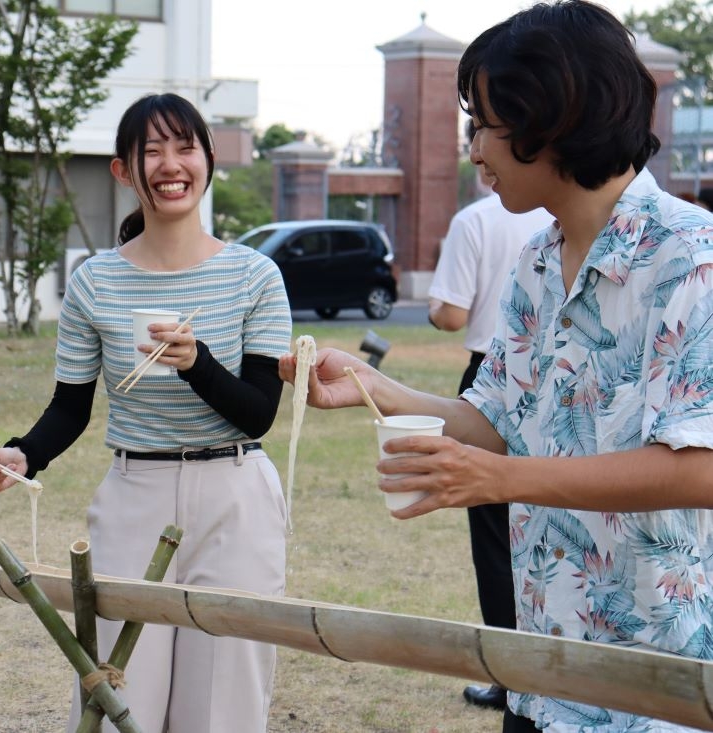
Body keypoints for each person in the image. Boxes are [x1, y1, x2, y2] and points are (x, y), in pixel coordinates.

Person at [280, 2, 713, 731]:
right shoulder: (537, 260)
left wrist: (501, 479)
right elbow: (496, 418)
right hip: (541, 673)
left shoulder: (691, 259)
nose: (472, 146)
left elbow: (699, 467)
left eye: (483, 122)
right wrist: (372, 386)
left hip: (659, 685)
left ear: (551, 119)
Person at [0, 92, 293, 733]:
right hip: (133, 491)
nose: (170, 164)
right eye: (152, 151)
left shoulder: (255, 276)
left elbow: (257, 415)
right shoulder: (96, 280)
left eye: (184, 147)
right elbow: (70, 405)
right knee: (119, 689)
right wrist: (23, 453)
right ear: (124, 170)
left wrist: (195, 362)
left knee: (224, 699)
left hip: (235, 493)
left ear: (207, 159)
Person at [427, 139, 553, 712]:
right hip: (500, 381)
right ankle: (525, 675)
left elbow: (449, 314)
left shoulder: (475, 221)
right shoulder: (544, 240)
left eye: (485, 128)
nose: (476, 152)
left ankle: (511, 672)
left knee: (498, 541)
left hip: (492, 371)